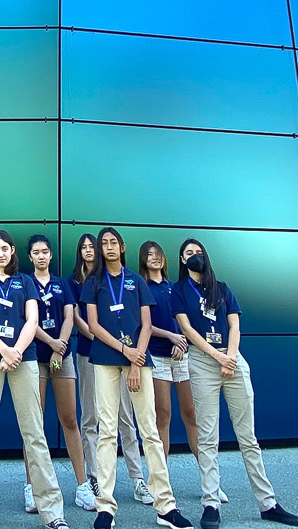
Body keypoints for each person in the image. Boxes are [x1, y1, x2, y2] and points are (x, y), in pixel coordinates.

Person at [172, 240, 298, 529]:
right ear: (182, 260)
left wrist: (230, 357)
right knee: (207, 438)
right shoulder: (179, 291)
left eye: (198, 253)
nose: (195, 257)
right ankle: (211, 504)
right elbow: (187, 329)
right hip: (204, 362)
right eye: (189, 254)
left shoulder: (223, 287)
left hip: (233, 361)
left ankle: (268, 503)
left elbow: (234, 325)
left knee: (249, 438)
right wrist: (217, 356)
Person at [81, 227, 191, 529]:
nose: (108, 247)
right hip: (105, 361)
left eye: (113, 242)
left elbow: (146, 324)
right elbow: (92, 326)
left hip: (138, 362)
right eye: (104, 244)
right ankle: (105, 507)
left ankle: (166, 506)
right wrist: (123, 350)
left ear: (123, 246)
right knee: (107, 431)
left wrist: (134, 360)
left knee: (150, 431)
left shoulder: (136, 280)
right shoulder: (93, 282)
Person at [0, 231, 68, 529]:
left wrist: (16, 351)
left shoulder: (25, 281)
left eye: (5, 248)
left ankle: (53, 514)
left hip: (24, 360)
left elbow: (32, 320)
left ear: (13, 251)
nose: (1, 253)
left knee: (35, 434)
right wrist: (4, 350)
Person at [136, 241, 227, 506]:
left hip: (183, 356)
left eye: (158, 255)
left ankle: (211, 483)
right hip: (158, 357)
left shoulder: (175, 287)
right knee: (162, 416)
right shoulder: (143, 288)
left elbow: (187, 321)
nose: (154, 258)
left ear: (166, 259)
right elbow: (145, 325)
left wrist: (182, 341)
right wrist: (173, 337)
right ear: (143, 260)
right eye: (149, 255)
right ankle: (160, 484)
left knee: (192, 416)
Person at [68, 234, 147, 506]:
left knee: (126, 416)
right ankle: (95, 477)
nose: (90, 251)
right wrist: (103, 341)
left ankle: (137, 478)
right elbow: (80, 319)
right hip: (92, 355)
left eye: (94, 246)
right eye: (85, 247)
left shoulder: (126, 279)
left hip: (124, 355)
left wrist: (118, 346)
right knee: (92, 418)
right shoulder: (78, 281)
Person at [25, 235, 94, 513]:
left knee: (70, 420)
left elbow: (68, 317)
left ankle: (81, 486)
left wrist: (60, 347)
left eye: (45, 252)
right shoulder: (24, 283)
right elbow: (26, 320)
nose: (41, 256)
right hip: (35, 357)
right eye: (36, 253)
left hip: (61, 358)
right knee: (34, 424)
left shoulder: (62, 284)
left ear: (51, 256)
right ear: (29, 257)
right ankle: (32, 487)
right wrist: (50, 344)